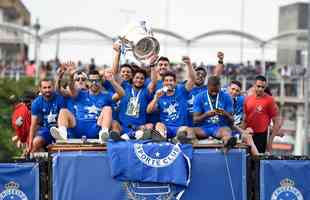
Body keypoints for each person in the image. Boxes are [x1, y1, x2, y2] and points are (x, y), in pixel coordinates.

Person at [50, 70, 123, 141]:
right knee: (63, 111)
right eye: (91, 80)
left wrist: (112, 81)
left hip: (96, 127)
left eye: (97, 80)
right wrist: (69, 76)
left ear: (100, 82)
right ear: (87, 82)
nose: (94, 83)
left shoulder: (106, 95)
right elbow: (64, 89)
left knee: (107, 108)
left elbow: (121, 94)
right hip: (78, 126)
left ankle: (103, 133)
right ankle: (62, 133)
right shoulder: (79, 93)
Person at [147, 56, 195, 138]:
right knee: (158, 124)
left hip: (180, 128)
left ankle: (177, 139)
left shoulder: (181, 90)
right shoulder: (160, 94)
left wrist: (189, 64)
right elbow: (148, 111)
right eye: (166, 81)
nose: (168, 83)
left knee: (188, 130)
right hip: (166, 128)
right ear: (163, 83)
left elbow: (192, 79)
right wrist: (156, 99)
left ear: (175, 82)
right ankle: (162, 141)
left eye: (171, 81)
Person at [193, 76, 236, 147]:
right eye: (212, 91)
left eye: (216, 91)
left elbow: (232, 120)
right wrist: (206, 115)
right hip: (203, 129)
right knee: (189, 131)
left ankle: (227, 142)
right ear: (207, 86)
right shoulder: (199, 97)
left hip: (219, 128)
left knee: (227, 130)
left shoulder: (226, 97)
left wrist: (224, 113)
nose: (214, 93)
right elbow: (195, 120)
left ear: (220, 87)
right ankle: (194, 146)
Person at [243, 75, 281, 153]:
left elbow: (277, 121)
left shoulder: (269, 100)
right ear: (254, 85)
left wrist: (270, 140)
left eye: (263, 87)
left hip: (261, 136)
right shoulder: (247, 99)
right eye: (258, 86)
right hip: (248, 134)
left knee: (258, 162)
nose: (260, 89)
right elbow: (244, 119)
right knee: (246, 161)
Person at [27, 79, 66, 153]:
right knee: (36, 142)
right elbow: (33, 125)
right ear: (40, 89)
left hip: (60, 130)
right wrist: (30, 144)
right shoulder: (36, 103)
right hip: (47, 130)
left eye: (49, 87)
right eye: (44, 88)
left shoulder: (60, 99)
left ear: (53, 87)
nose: (47, 90)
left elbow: (64, 116)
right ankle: (43, 161)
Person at [227, 80, 259, 155]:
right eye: (232, 89)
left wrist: (247, 128)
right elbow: (229, 123)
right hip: (224, 132)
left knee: (249, 134)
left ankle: (259, 162)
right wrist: (242, 131)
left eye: (237, 91)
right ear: (228, 88)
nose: (234, 92)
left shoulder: (241, 100)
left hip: (237, 132)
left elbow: (250, 95)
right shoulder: (220, 101)